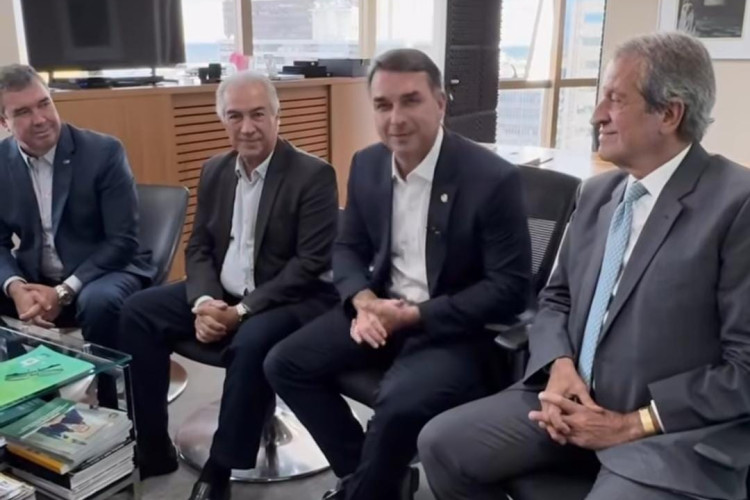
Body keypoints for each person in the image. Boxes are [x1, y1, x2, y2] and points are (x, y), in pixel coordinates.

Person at [417, 31, 750, 500]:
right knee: (441, 445)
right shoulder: (597, 194)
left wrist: (631, 423)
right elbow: (556, 298)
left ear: (669, 114)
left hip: (665, 435)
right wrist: (559, 366)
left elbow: (745, 368)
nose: (597, 115)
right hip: (568, 404)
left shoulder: (737, 204)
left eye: (615, 99)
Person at [263, 48, 531, 500]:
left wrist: (414, 316)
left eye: (411, 101)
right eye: (383, 105)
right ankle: (376, 479)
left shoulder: (492, 178)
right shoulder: (367, 164)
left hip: (454, 328)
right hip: (381, 310)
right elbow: (348, 248)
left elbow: (510, 289)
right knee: (284, 364)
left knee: (398, 404)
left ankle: (366, 489)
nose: (395, 119)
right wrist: (364, 301)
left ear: (440, 104)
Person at [118, 71, 339, 500]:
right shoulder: (215, 169)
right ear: (223, 120)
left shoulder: (313, 175)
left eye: (258, 114)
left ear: (277, 115)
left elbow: (309, 265)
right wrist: (204, 301)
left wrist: (240, 312)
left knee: (251, 340)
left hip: (289, 299)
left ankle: (220, 467)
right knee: (138, 311)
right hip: (224, 292)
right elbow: (199, 245)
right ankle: (153, 446)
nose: (247, 127)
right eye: (235, 116)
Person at [0, 64, 155, 370]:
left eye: (44, 104)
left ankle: (112, 390)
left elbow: (122, 241)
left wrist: (63, 291)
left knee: (98, 302)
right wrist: (16, 288)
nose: (40, 119)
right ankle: (32, 388)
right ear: (4, 121)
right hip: (37, 276)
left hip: (106, 270)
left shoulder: (103, 152)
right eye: (23, 112)